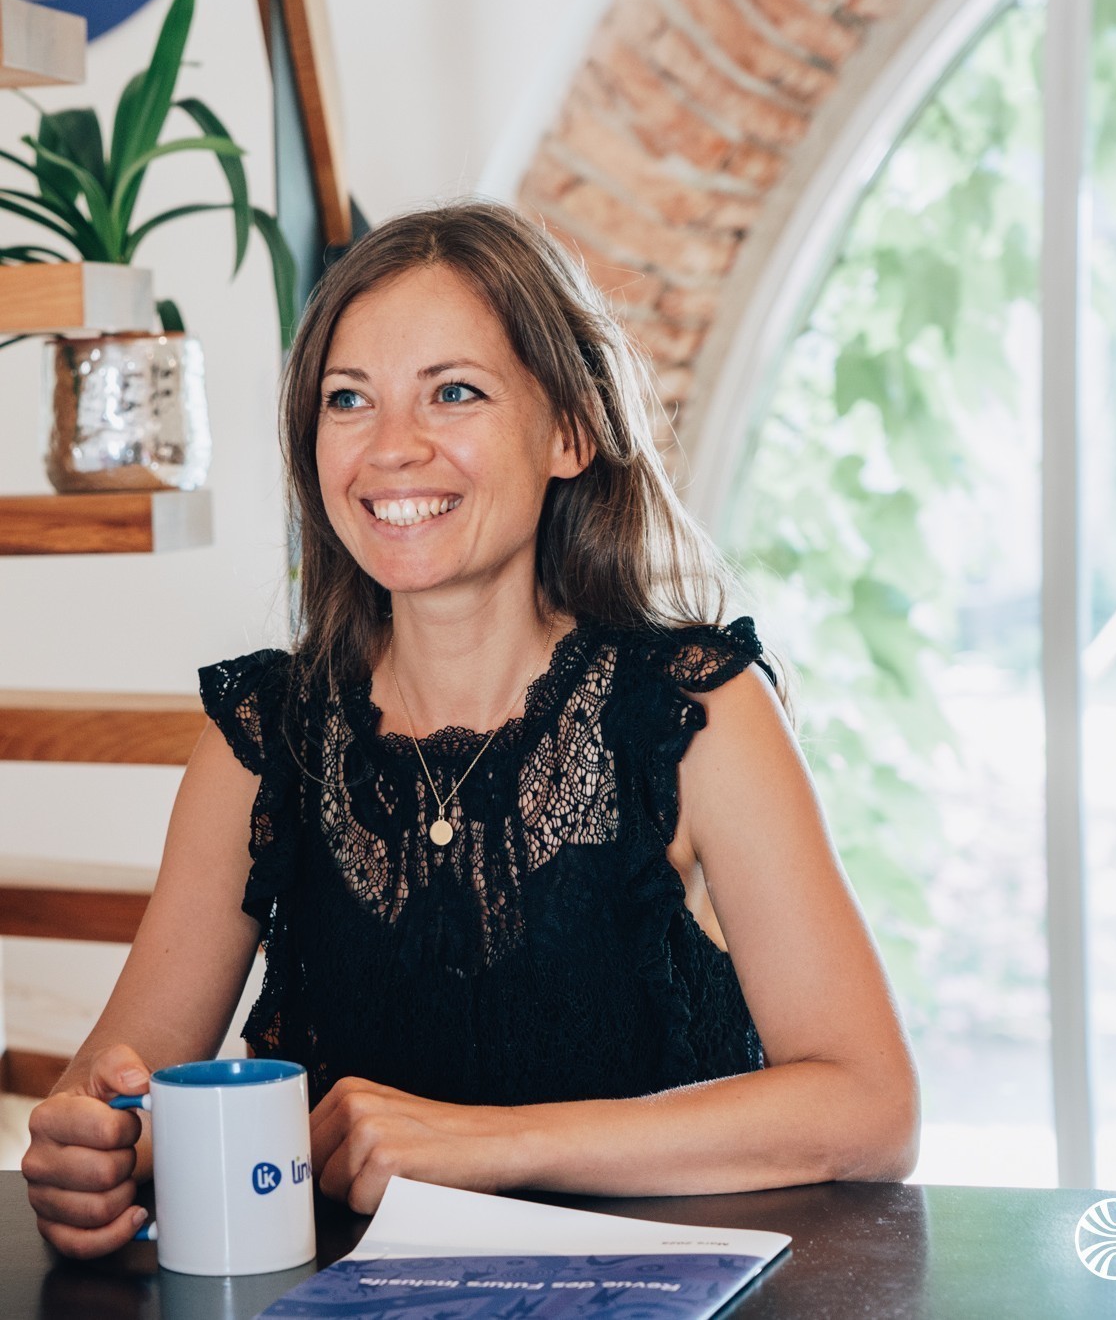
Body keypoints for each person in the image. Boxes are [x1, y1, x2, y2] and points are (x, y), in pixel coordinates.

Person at [22, 201, 919, 1259]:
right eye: (347, 400)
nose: (393, 448)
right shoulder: (259, 740)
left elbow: (871, 1111)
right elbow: (111, 1094)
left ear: (570, 432)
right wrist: (87, 1157)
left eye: (455, 393)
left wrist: (485, 1147)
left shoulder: (697, 709)